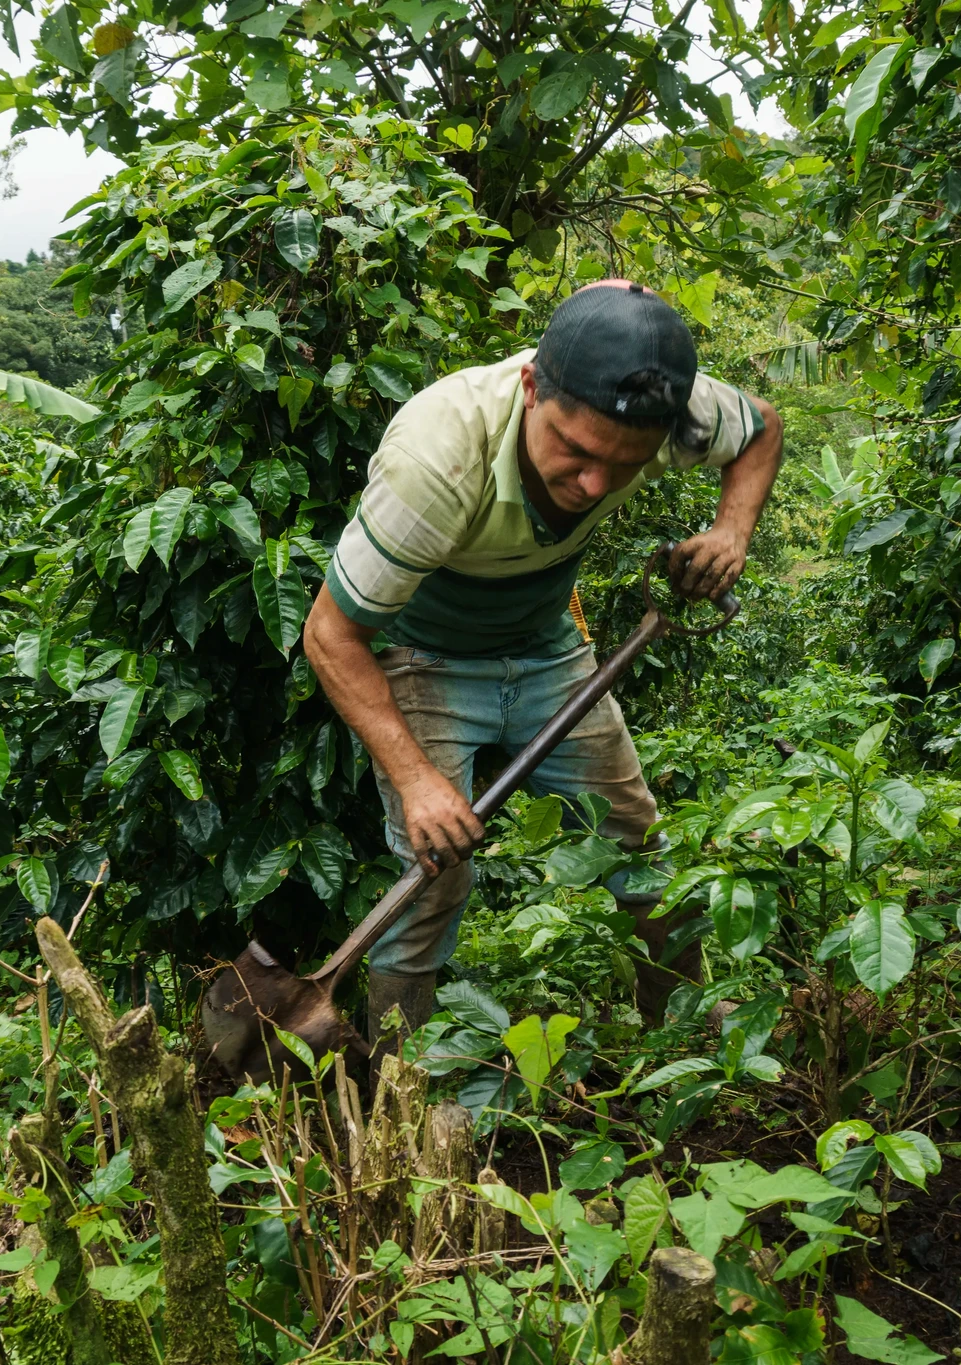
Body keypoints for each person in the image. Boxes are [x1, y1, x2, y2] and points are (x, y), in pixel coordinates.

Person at [303, 279, 783, 1034]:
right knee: (431, 875)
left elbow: (761, 429)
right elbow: (330, 634)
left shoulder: (676, 413)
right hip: (422, 656)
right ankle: (402, 1070)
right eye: (577, 450)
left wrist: (732, 530)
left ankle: (678, 1024)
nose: (594, 483)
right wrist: (418, 780)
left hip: (548, 645)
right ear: (531, 386)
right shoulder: (437, 456)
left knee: (638, 841)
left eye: (625, 464)